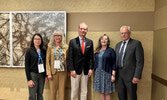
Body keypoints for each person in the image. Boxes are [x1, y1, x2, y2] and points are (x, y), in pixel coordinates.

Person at [115, 26, 144, 100]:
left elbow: (140, 61)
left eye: (125, 33)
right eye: (122, 33)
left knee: (132, 96)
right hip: (119, 75)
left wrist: (137, 76)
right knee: (121, 96)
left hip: (131, 76)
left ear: (129, 33)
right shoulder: (118, 45)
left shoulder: (136, 43)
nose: (123, 35)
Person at [67, 22, 94, 100]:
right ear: (78, 30)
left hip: (85, 70)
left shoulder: (90, 42)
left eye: (85, 29)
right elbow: (70, 57)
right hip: (75, 70)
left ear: (87, 31)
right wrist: (71, 69)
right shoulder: (72, 42)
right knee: (74, 91)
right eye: (81, 29)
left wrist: (91, 68)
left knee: (84, 91)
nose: (83, 30)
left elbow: (91, 57)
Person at [46, 30, 68, 100]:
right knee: (53, 92)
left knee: (62, 92)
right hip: (53, 72)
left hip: (63, 72)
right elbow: (47, 60)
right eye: (56, 35)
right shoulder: (50, 47)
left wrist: (69, 71)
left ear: (62, 37)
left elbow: (68, 59)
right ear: (53, 37)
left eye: (59, 36)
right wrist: (48, 73)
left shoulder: (65, 47)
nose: (57, 37)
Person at [25, 33, 47, 100]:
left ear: (41, 41)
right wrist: (29, 79)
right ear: (33, 40)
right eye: (36, 39)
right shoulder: (29, 51)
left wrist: (46, 75)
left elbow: (46, 63)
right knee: (32, 95)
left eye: (39, 39)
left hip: (42, 75)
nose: (37, 40)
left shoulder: (43, 51)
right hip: (33, 75)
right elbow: (26, 66)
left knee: (40, 95)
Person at [94, 34, 116, 100]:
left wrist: (113, 75)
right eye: (102, 39)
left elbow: (114, 63)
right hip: (98, 73)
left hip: (107, 73)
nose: (104, 40)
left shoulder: (111, 51)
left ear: (108, 41)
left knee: (107, 92)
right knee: (101, 91)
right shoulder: (97, 50)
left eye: (106, 39)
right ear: (100, 40)